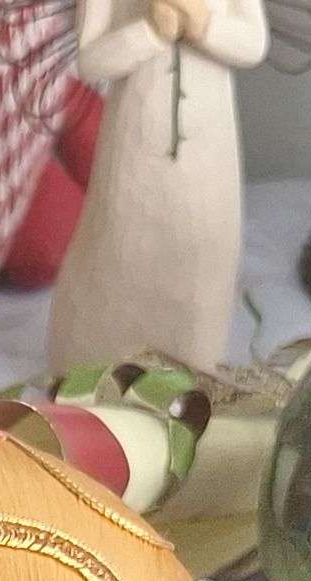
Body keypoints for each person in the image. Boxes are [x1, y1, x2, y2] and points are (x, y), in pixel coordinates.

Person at [48, 0, 266, 375]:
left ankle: (192, 370)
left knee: (201, 258)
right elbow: (92, 61)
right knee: (119, 249)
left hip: (209, 154)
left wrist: (206, 25)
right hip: (132, 149)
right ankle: (90, 366)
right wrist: (149, 33)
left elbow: (253, 44)